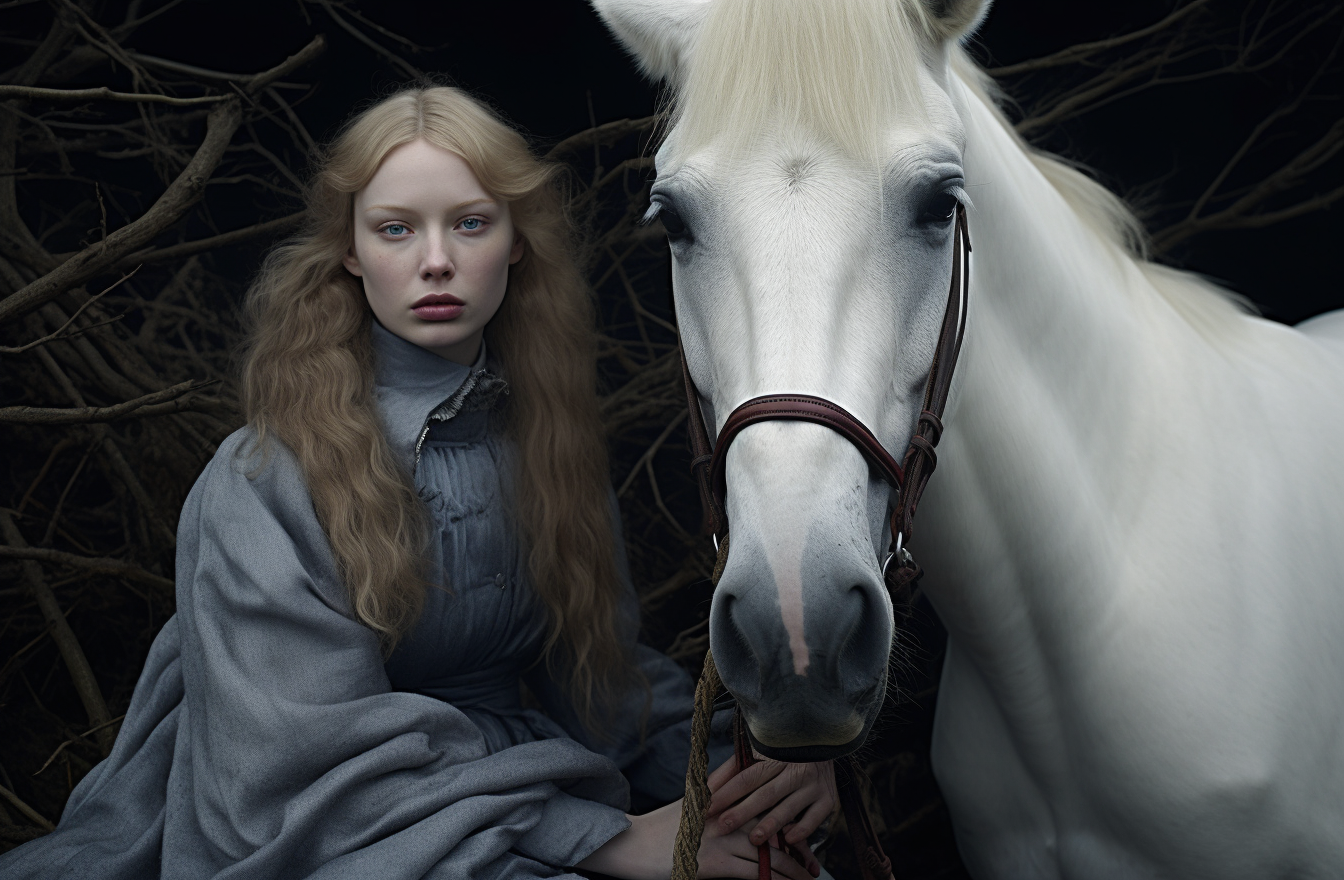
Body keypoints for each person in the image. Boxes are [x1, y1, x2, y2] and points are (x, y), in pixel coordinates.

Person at [0, 86, 836, 880]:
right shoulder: (260, 481)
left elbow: (602, 683)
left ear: (516, 243)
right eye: (396, 230)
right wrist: (605, 838)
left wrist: (763, 767)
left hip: (504, 790)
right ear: (350, 253)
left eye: (470, 224)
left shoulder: (544, 446)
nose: (437, 261)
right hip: (327, 824)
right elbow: (300, 763)